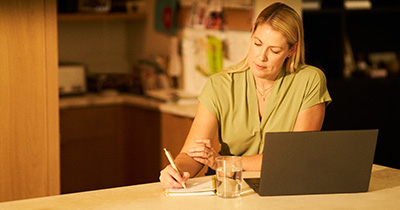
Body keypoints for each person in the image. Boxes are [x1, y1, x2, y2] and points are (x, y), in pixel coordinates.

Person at [159, 2, 332, 189]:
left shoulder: (309, 80)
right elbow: (192, 154)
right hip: (229, 186)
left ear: (292, 50)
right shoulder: (219, 85)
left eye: (274, 50)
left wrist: (225, 162)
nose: (261, 57)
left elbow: (296, 155)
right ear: (251, 35)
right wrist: (176, 170)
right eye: (257, 43)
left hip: (284, 186)